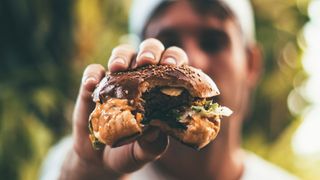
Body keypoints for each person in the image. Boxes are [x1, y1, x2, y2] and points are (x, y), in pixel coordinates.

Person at [40, 0, 298, 179]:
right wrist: (86, 174)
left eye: (213, 42)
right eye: (168, 42)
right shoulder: (75, 164)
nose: (193, 60)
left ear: (251, 64)